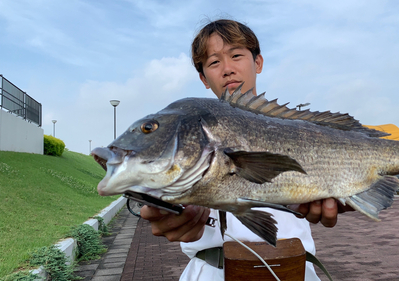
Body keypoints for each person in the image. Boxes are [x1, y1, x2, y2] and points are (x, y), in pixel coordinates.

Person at [140, 19, 353, 280]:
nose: (227, 69)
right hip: (213, 272)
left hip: (298, 271)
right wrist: (170, 209)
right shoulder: (187, 135)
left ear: (258, 62)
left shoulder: (299, 128)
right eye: (214, 62)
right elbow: (162, 193)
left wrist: (354, 191)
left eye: (236, 55)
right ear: (203, 78)